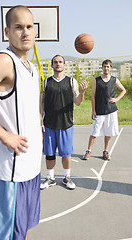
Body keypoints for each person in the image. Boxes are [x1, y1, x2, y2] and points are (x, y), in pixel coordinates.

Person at [0, 5, 42, 240]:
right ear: (7, 31)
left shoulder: (31, 67)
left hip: (30, 168)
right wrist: (4, 135)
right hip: (11, 171)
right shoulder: (3, 61)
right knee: (4, 236)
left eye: (29, 27)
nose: (25, 32)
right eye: (18, 27)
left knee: (22, 231)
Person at [40, 55, 89, 190]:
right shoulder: (46, 82)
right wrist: (40, 120)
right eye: (55, 62)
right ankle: (50, 178)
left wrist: (83, 92)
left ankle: (67, 177)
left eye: (60, 62)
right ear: (52, 65)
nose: (58, 64)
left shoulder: (72, 82)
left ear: (64, 65)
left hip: (66, 123)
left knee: (66, 153)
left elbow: (78, 102)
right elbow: (41, 102)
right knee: (49, 154)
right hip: (49, 123)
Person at [82, 59, 126, 161]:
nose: (106, 68)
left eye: (108, 66)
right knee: (94, 132)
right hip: (99, 111)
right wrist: (93, 111)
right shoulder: (96, 80)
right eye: (104, 66)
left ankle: (105, 151)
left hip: (111, 110)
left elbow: (123, 90)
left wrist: (116, 99)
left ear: (110, 68)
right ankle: (88, 150)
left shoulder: (114, 79)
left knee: (108, 132)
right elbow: (93, 97)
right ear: (102, 68)